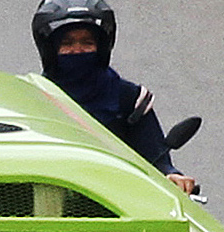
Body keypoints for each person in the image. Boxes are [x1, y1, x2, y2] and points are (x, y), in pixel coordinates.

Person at [31, 0, 198, 194]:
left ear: (101, 47)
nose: (77, 50)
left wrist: (172, 176)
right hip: (49, 206)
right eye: (67, 43)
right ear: (50, 50)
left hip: (121, 204)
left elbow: (156, 160)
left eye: (87, 43)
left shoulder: (130, 98)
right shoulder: (32, 96)